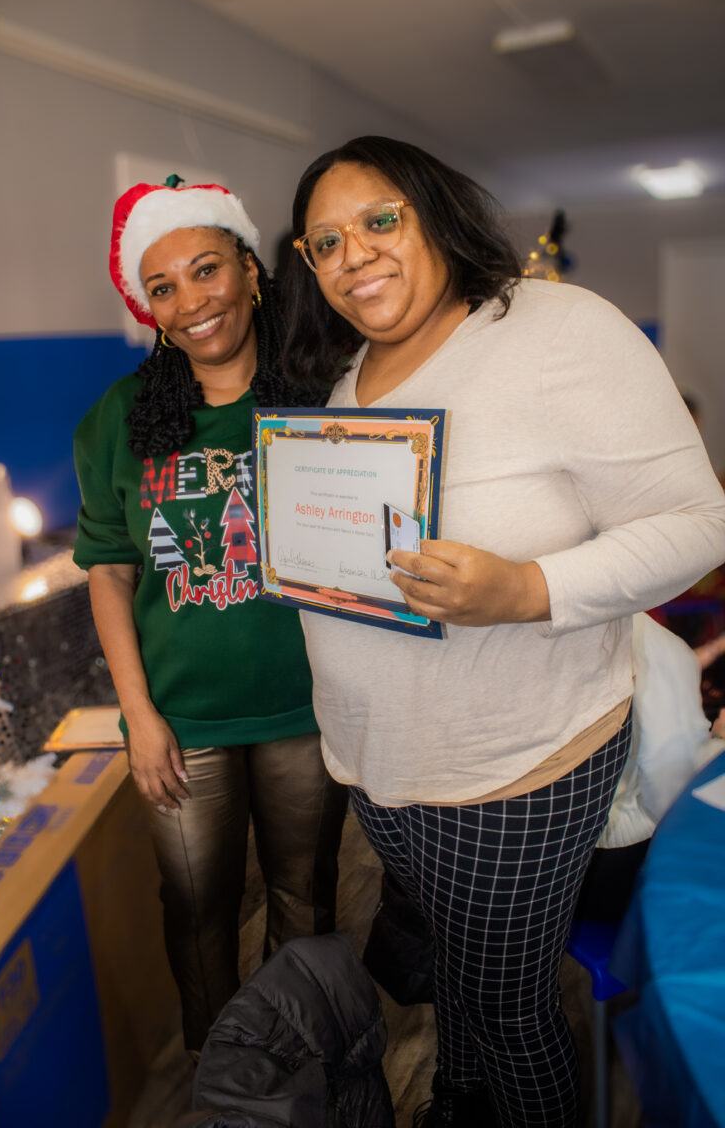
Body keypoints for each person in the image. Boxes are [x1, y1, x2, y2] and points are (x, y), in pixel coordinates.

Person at [280, 135, 725, 1128]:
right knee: (458, 977)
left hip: (515, 768)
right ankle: (456, 1096)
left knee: (509, 1006)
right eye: (325, 243)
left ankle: (485, 1095)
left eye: (378, 220)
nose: (354, 254)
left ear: (434, 213)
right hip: (384, 771)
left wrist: (528, 588)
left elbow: (702, 523)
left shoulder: (554, 329)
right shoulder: (349, 378)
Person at [73, 178, 348, 1053]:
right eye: (164, 287)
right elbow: (109, 573)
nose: (192, 301)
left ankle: (298, 1057)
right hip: (181, 717)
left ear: (250, 271)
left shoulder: (324, 393)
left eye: (206, 270)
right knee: (196, 904)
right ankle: (221, 1065)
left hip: (306, 704)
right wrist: (138, 717)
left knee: (305, 894)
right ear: (147, 308)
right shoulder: (119, 418)